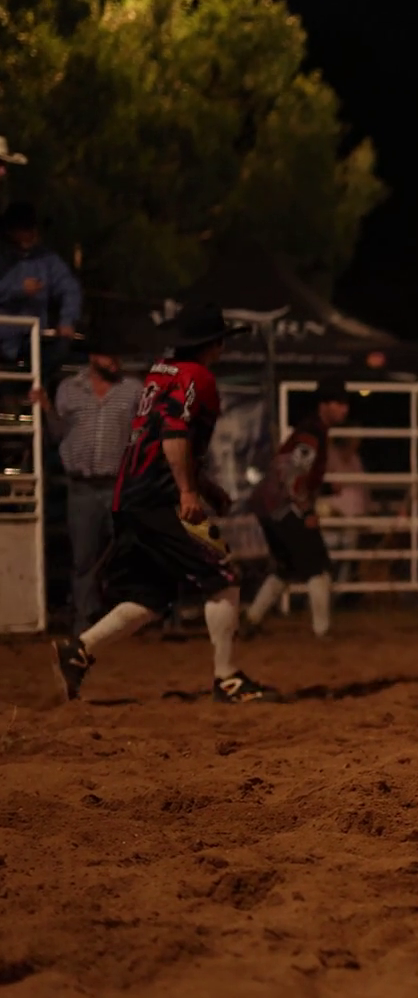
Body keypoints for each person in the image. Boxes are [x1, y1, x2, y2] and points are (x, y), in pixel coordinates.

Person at [51, 303, 279, 703]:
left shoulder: (160, 373)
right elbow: (175, 434)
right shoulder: (198, 378)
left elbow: (162, 439)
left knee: (149, 595)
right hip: (159, 499)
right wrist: (190, 492)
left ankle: (79, 649)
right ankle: (227, 678)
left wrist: (202, 487)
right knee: (222, 574)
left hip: (130, 497)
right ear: (213, 344)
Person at [30, 339, 144, 634]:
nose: (115, 361)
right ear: (94, 357)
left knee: (126, 552)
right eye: (109, 355)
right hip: (82, 486)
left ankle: (120, 617)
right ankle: (86, 620)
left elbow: (143, 434)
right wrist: (45, 408)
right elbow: (58, 433)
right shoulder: (69, 389)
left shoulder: (133, 390)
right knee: (84, 557)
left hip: (119, 485)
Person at [241, 379, 353, 641]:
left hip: (269, 506)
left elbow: (294, 473)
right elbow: (293, 475)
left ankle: (252, 619)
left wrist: (323, 489)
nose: (344, 409)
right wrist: (307, 511)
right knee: (317, 566)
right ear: (324, 405)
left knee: (286, 567)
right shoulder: (312, 433)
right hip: (284, 507)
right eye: (338, 403)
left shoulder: (310, 431)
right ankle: (321, 630)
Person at [0, 202, 81, 368]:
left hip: (33, 338)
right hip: (3, 335)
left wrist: (67, 320)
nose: (32, 233)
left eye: (33, 228)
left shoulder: (47, 260)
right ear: (10, 231)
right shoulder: (3, 258)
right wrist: (18, 289)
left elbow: (70, 289)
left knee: (62, 350)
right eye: (26, 229)